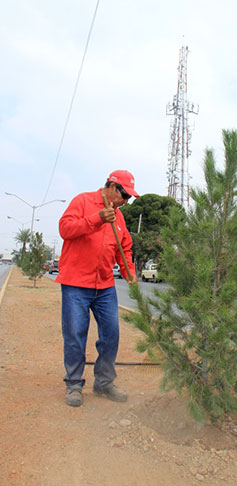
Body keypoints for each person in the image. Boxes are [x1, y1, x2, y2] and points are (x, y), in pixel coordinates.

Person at [56, 170, 139, 407]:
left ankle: (103, 383)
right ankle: (73, 384)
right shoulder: (82, 201)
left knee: (111, 334)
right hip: (75, 284)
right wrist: (97, 219)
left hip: (104, 286)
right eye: (125, 195)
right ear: (111, 187)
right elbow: (65, 229)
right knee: (75, 336)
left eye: (129, 198)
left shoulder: (120, 218)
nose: (126, 201)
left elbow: (125, 249)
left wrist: (128, 271)